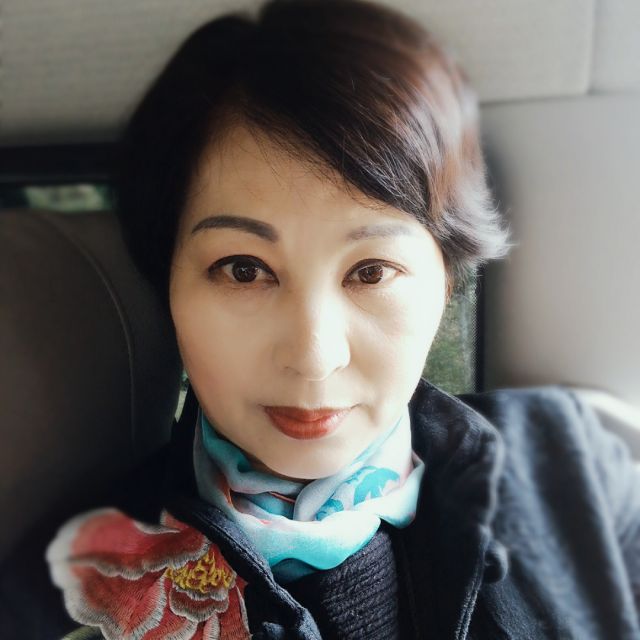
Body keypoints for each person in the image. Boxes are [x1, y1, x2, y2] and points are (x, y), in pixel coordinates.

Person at [11, 0, 640, 638]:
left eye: (371, 271)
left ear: (446, 282)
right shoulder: (69, 588)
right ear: (168, 281)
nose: (313, 358)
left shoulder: (577, 467)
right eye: (243, 269)